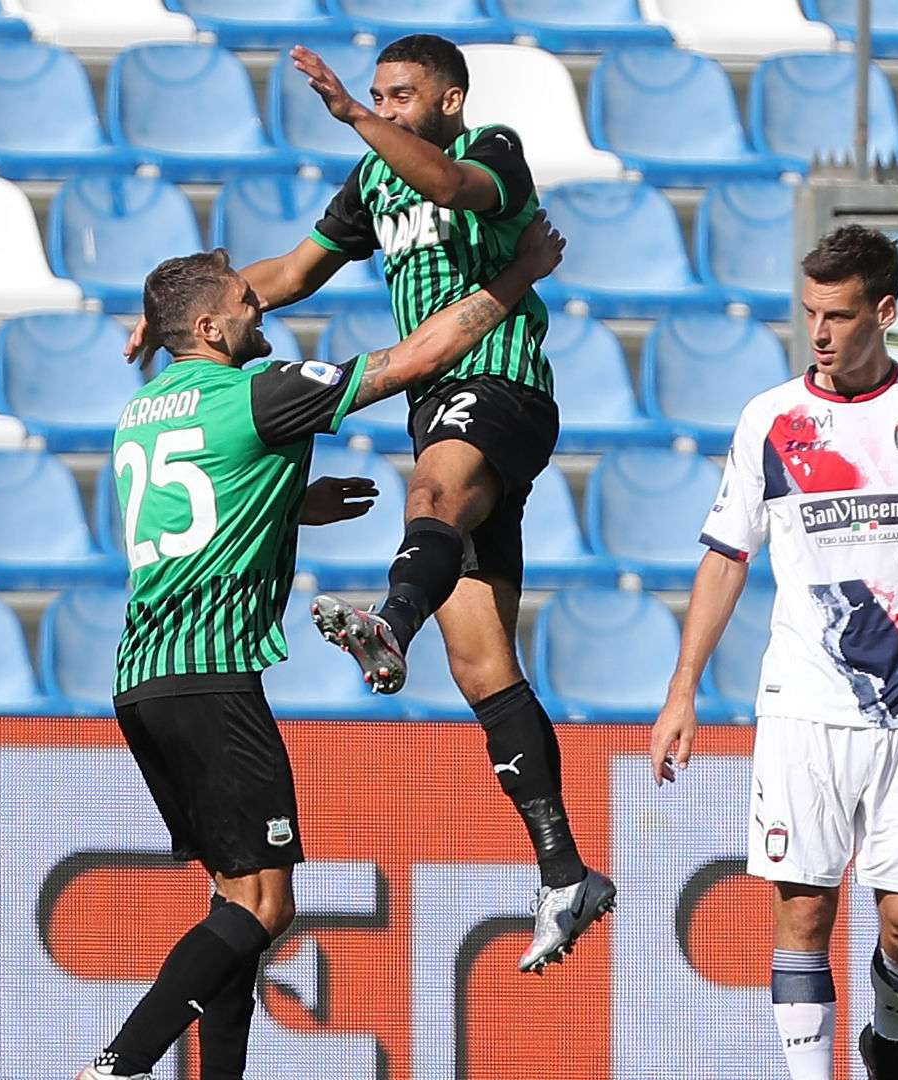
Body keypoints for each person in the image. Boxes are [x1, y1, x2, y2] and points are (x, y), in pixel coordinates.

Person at [127, 31, 608, 974]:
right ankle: (565, 871)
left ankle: (387, 624)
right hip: (440, 405)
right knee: (482, 667)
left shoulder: (491, 152)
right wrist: (175, 319)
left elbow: (452, 191)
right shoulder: (370, 181)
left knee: (427, 490)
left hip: (498, 383)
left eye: (402, 97)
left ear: (450, 102)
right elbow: (291, 274)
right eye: (378, 97)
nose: (386, 109)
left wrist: (349, 114)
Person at [81, 216, 563, 1080]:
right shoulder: (258, 390)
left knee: (233, 897)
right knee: (266, 907)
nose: (257, 305)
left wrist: (290, 502)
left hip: (142, 679)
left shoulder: (139, 413)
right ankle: (118, 1066)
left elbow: (197, 496)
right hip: (212, 676)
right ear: (210, 331)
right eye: (243, 301)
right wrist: (518, 276)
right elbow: (411, 361)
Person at [647, 225, 898, 1080]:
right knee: (804, 910)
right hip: (803, 705)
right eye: (810, 311)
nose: (818, 331)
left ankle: (884, 1042)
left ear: (883, 312)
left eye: (839, 314)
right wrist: (682, 690)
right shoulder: (771, 419)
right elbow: (724, 559)